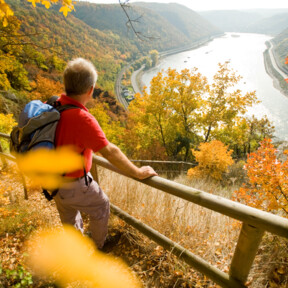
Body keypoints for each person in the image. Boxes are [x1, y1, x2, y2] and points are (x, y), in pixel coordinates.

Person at [53, 58, 157, 249]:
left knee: (68, 215)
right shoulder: (83, 118)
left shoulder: (53, 105)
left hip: (53, 180)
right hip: (75, 183)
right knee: (101, 206)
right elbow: (109, 151)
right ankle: (98, 246)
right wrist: (138, 172)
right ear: (90, 90)